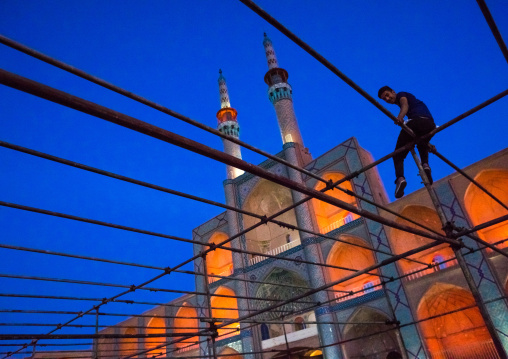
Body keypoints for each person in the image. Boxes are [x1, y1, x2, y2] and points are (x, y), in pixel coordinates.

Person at [378, 86, 436, 198]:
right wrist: (429, 144)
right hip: (430, 124)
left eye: (387, 95)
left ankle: (400, 178)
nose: (387, 99)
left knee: (398, 154)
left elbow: (405, 105)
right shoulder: (414, 103)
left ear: (393, 92)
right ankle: (425, 165)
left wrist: (400, 117)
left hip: (417, 122)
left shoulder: (401, 94)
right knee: (421, 142)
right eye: (384, 99)